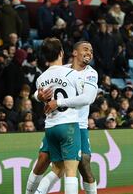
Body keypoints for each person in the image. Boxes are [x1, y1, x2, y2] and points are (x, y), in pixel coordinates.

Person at [26, 41, 98, 194]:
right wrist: (39, 96)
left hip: (79, 126)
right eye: (85, 49)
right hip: (64, 124)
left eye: (91, 51)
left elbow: (89, 98)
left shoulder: (91, 73)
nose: (89, 53)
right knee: (45, 161)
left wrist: (58, 102)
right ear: (74, 52)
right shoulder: (64, 70)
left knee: (83, 166)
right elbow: (37, 92)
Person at [32, 38, 83, 194]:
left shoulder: (41, 79)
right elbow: (82, 99)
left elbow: (39, 98)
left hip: (51, 127)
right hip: (69, 125)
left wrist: (37, 97)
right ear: (61, 52)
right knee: (71, 171)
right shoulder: (72, 74)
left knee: (57, 168)